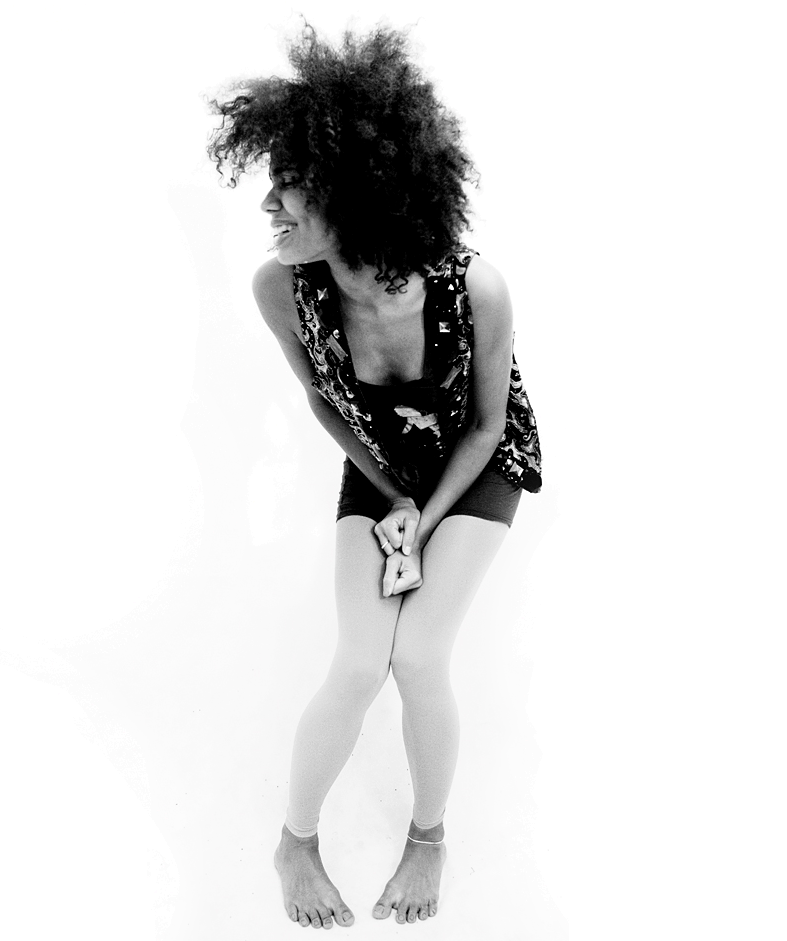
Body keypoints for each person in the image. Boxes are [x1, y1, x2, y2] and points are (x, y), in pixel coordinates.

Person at [207, 23, 542, 929]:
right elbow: (324, 403)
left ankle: (430, 836)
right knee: (359, 659)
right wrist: (389, 496)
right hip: (380, 468)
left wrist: (421, 523)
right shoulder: (280, 288)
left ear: (352, 191)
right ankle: (295, 843)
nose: (268, 203)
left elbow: (485, 425)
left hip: (478, 466)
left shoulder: (474, 287)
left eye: (289, 184)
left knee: (419, 653)